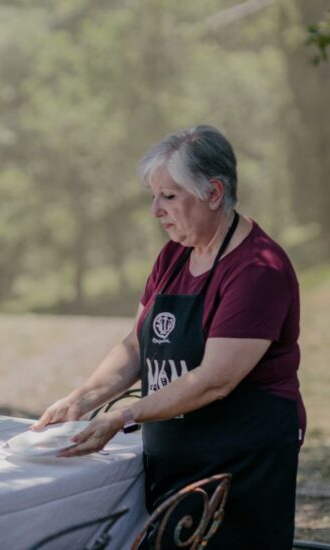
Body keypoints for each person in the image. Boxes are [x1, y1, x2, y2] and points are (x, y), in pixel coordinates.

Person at [32, 125, 303, 548]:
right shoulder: (176, 253)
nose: (155, 210)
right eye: (153, 196)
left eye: (169, 196)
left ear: (214, 193)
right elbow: (136, 345)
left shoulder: (257, 270)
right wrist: (81, 400)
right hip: (176, 455)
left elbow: (216, 380)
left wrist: (122, 416)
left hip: (240, 463)